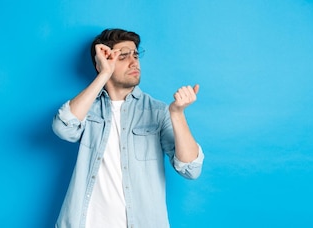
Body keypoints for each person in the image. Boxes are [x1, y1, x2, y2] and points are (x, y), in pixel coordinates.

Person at [52, 28, 205, 228]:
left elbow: (191, 169)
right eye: (123, 56)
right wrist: (104, 74)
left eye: (135, 54)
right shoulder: (87, 108)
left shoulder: (158, 111)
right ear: (104, 62)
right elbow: (63, 127)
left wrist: (177, 114)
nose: (134, 62)